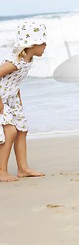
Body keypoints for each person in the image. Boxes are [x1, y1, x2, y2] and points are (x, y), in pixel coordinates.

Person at [0, 21, 47, 182]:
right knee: (10, 131)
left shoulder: (28, 59)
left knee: (22, 129)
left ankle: (23, 168)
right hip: (1, 99)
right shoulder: (14, 61)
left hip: (12, 100)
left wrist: (18, 102)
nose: (45, 45)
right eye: (42, 42)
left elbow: (14, 82)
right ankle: (2, 172)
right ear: (32, 44)